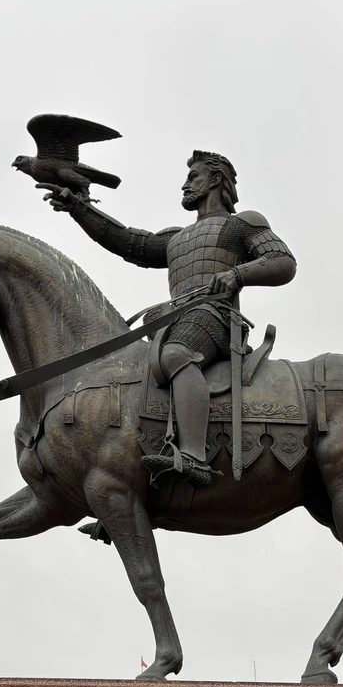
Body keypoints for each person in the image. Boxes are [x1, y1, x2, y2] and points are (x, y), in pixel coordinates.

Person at [43, 151, 296, 485]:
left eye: (193, 177)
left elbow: (282, 261)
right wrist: (79, 207)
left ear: (216, 180)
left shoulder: (241, 223)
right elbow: (127, 241)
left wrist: (238, 274)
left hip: (216, 319)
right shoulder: (176, 237)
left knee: (176, 354)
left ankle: (194, 457)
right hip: (173, 322)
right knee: (131, 375)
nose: (185, 184)